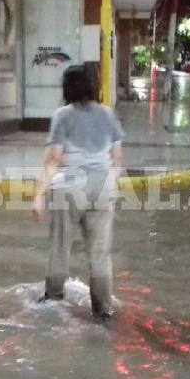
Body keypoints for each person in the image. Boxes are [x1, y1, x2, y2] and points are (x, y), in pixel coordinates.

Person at [32, 65, 124, 321]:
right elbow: (117, 159)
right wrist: (106, 184)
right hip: (103, 187)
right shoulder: (108, 115)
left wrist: (39, 194)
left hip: (69, 188)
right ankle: (103, 309)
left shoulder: (63, 115)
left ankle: (53, 297)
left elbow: (53, 159)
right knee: (100, 252)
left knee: (60, 246)